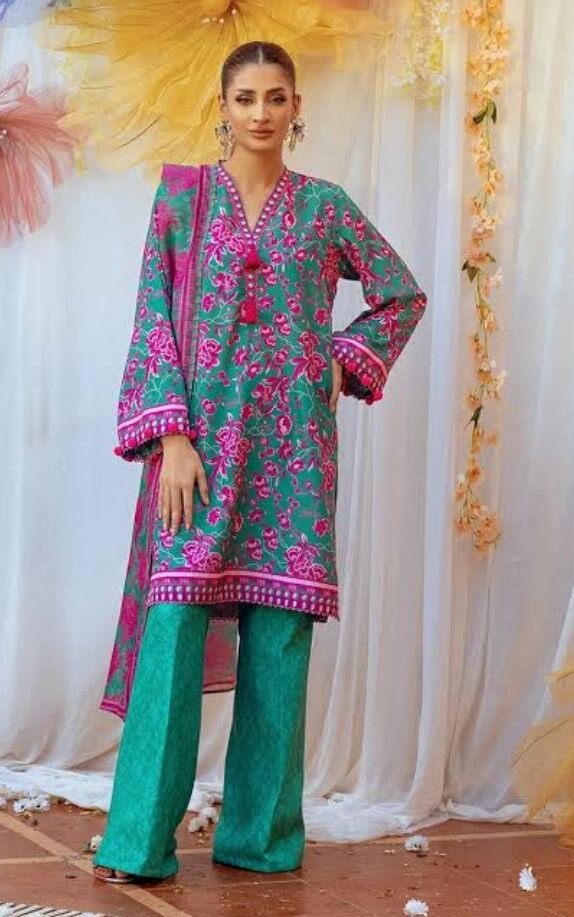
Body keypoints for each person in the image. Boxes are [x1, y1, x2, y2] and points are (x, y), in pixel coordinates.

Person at [93, 40, 427, 884]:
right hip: (198, 454)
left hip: (295, 454)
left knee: (279, 644)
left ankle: (260, 839)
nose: (261, 113)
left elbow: (401, 293)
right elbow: (152, 317)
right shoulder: (181, 201)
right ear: (223, 106)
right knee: (172, 634)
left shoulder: (324, 207)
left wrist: (344, 358)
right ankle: (137, 843)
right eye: (246, 98)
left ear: (296, 107)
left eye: (276, 98)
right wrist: (171, 438)